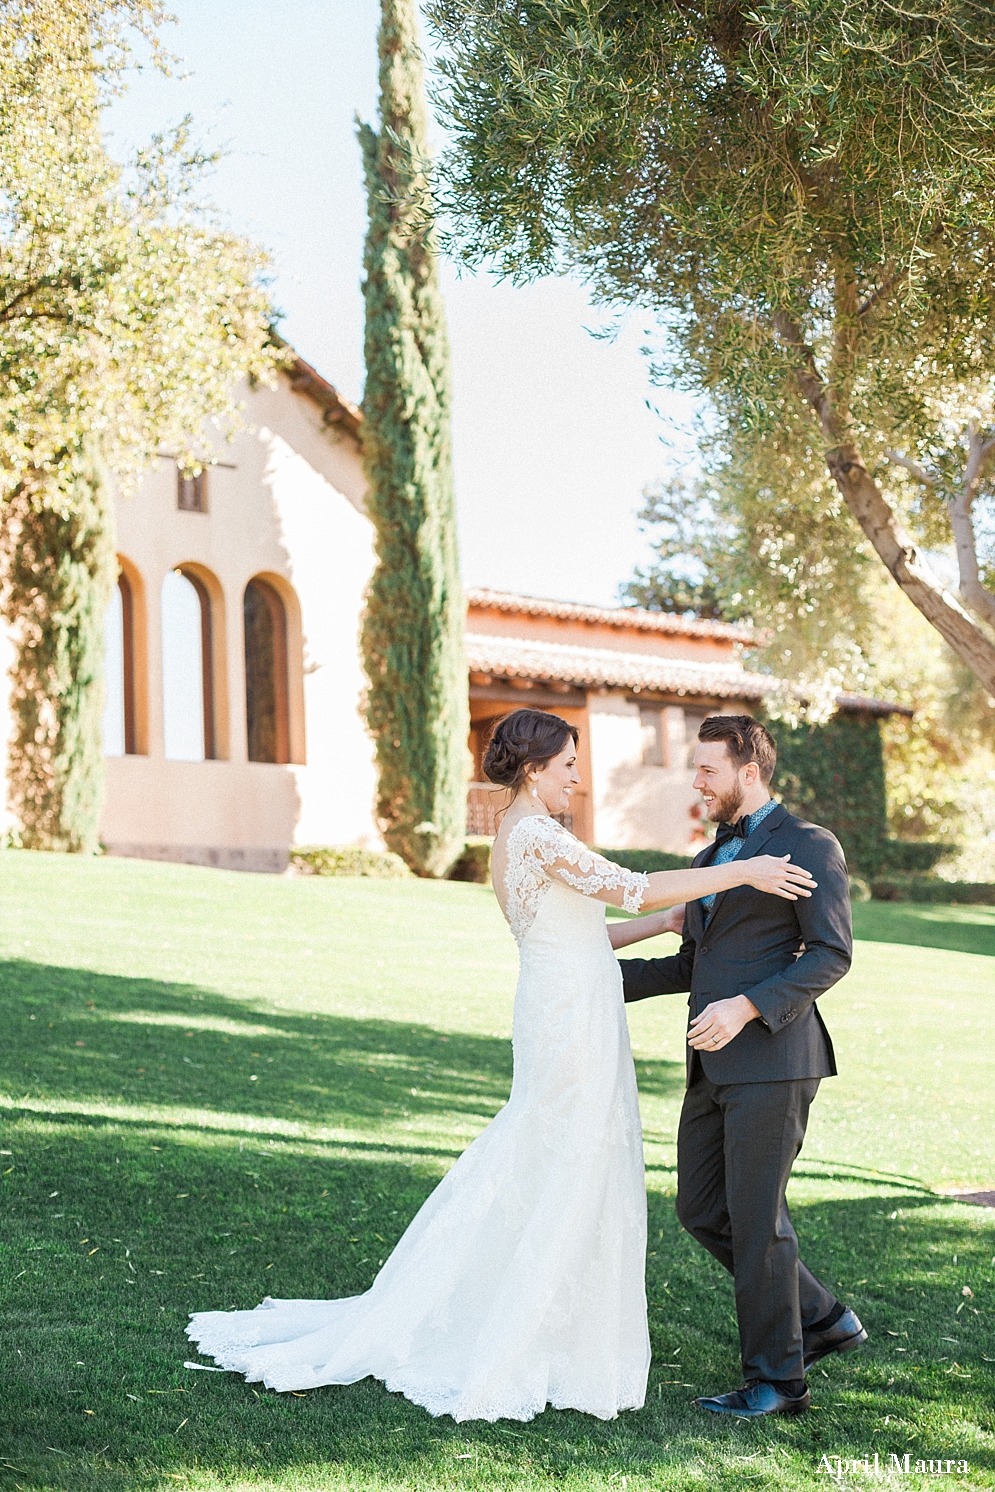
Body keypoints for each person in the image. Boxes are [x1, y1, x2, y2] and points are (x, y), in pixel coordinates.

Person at [186, 708, 817, 1424]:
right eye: (569, 766)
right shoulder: (538, 834)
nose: (577, 779)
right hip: (569, 1021)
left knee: (556, 1155)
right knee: (567, 1158)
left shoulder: (519, 836)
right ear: (533, 769)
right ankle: (531, 1322)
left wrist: (665, 924)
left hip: (566, 1002)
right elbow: (627, 887)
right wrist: (741, 871)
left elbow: (589, 930)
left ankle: (551, 1311)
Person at [615, 714, 865, 1419]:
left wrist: (748, 1007)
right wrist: (591, 978)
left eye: (707, 771)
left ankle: (779, 1382)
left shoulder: (809, 846)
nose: (696, 783)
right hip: (711, 1064)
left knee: (757, 1221)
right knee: (699, 1210)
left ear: (747, 773)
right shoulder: (707, 862)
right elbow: (693, 964)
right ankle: (822, 1319)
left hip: (775, 1060)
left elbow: (829, 954)